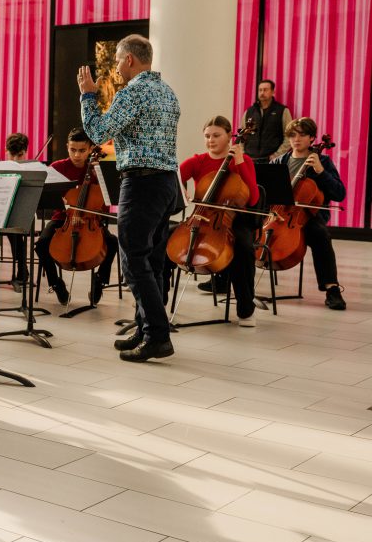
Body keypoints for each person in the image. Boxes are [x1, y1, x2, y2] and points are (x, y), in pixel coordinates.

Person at [78, 34, 179, 362]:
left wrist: (87, 97)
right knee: (153, 260)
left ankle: (158, 336)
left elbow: (97, 133)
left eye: (118, 60)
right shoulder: (167, 92)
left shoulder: (132, 92)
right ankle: (144, 325)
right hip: (167, 184)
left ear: (130, 60)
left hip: (142, 184)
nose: (117, 67)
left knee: (133, 259)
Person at [179, 116, 258, 326]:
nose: (211, 140)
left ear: (229, 136)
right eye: (207, 136)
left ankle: (246, 310)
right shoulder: (198, 161)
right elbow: (175, 176)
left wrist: (239, 161)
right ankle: (156, 304)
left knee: (243, 247)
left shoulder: (244, 160)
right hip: (202, 217)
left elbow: (253, 198)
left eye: (216, 135)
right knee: (163, 243)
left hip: (236, 218)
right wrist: (182, 191)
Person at [33, 128, 119, 307]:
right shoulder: (57, 168)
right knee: (41, 244)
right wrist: (59, 200)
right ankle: (56, 283)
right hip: (63, 219)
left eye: (82, 150)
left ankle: (100, 282)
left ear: (90, 149)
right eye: (73, 150)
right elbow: (44, 193)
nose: (77, 155)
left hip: (91, 220)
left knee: (112, 243)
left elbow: (106, 202)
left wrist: (99, 176)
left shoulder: (98, 170)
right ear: (67, 147)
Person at [270, 117, 346, 310]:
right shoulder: (280, 161)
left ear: (312, 138)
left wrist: (320, 171)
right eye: (293, 135)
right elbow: (267, 192)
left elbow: (339, 193)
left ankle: (332, 289)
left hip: (310, 215)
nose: (297, 139)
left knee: (320, 234)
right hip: (280, 214)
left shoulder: (323, 161)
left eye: (302, 135)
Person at [242, 79, 292, 163]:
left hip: (271, 160)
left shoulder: (282, 110)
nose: (262, 93)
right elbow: (242, 135)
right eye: (260, 90)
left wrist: (277, 155)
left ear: (272, 92)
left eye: (265, 90)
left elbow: (289, 136)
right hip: (249, 159)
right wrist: (243, 154)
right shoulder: (249, 111)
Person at [4, 133, 30, 290]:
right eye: (11, 155)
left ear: (26, 152)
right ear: (6, 151)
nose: (14, 160)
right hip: (4, 211)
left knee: (15, 228)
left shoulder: (32, 169)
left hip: (25, 211)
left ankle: (22, 269)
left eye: (19, 155)